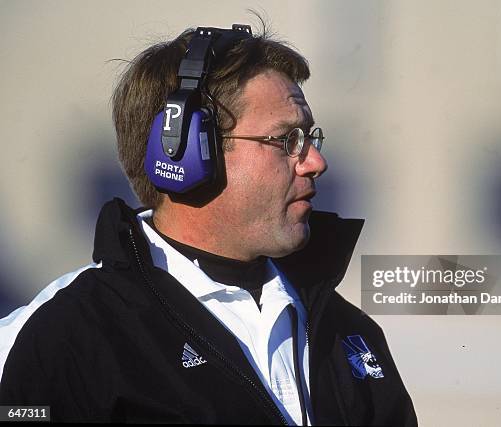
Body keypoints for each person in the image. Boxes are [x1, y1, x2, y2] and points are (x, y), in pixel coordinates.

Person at [0, 23, 417, 425]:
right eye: (287, 140)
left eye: (311, 139)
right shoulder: (66, 334)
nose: (316, 162)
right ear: (183, 152)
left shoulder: (348, 334)